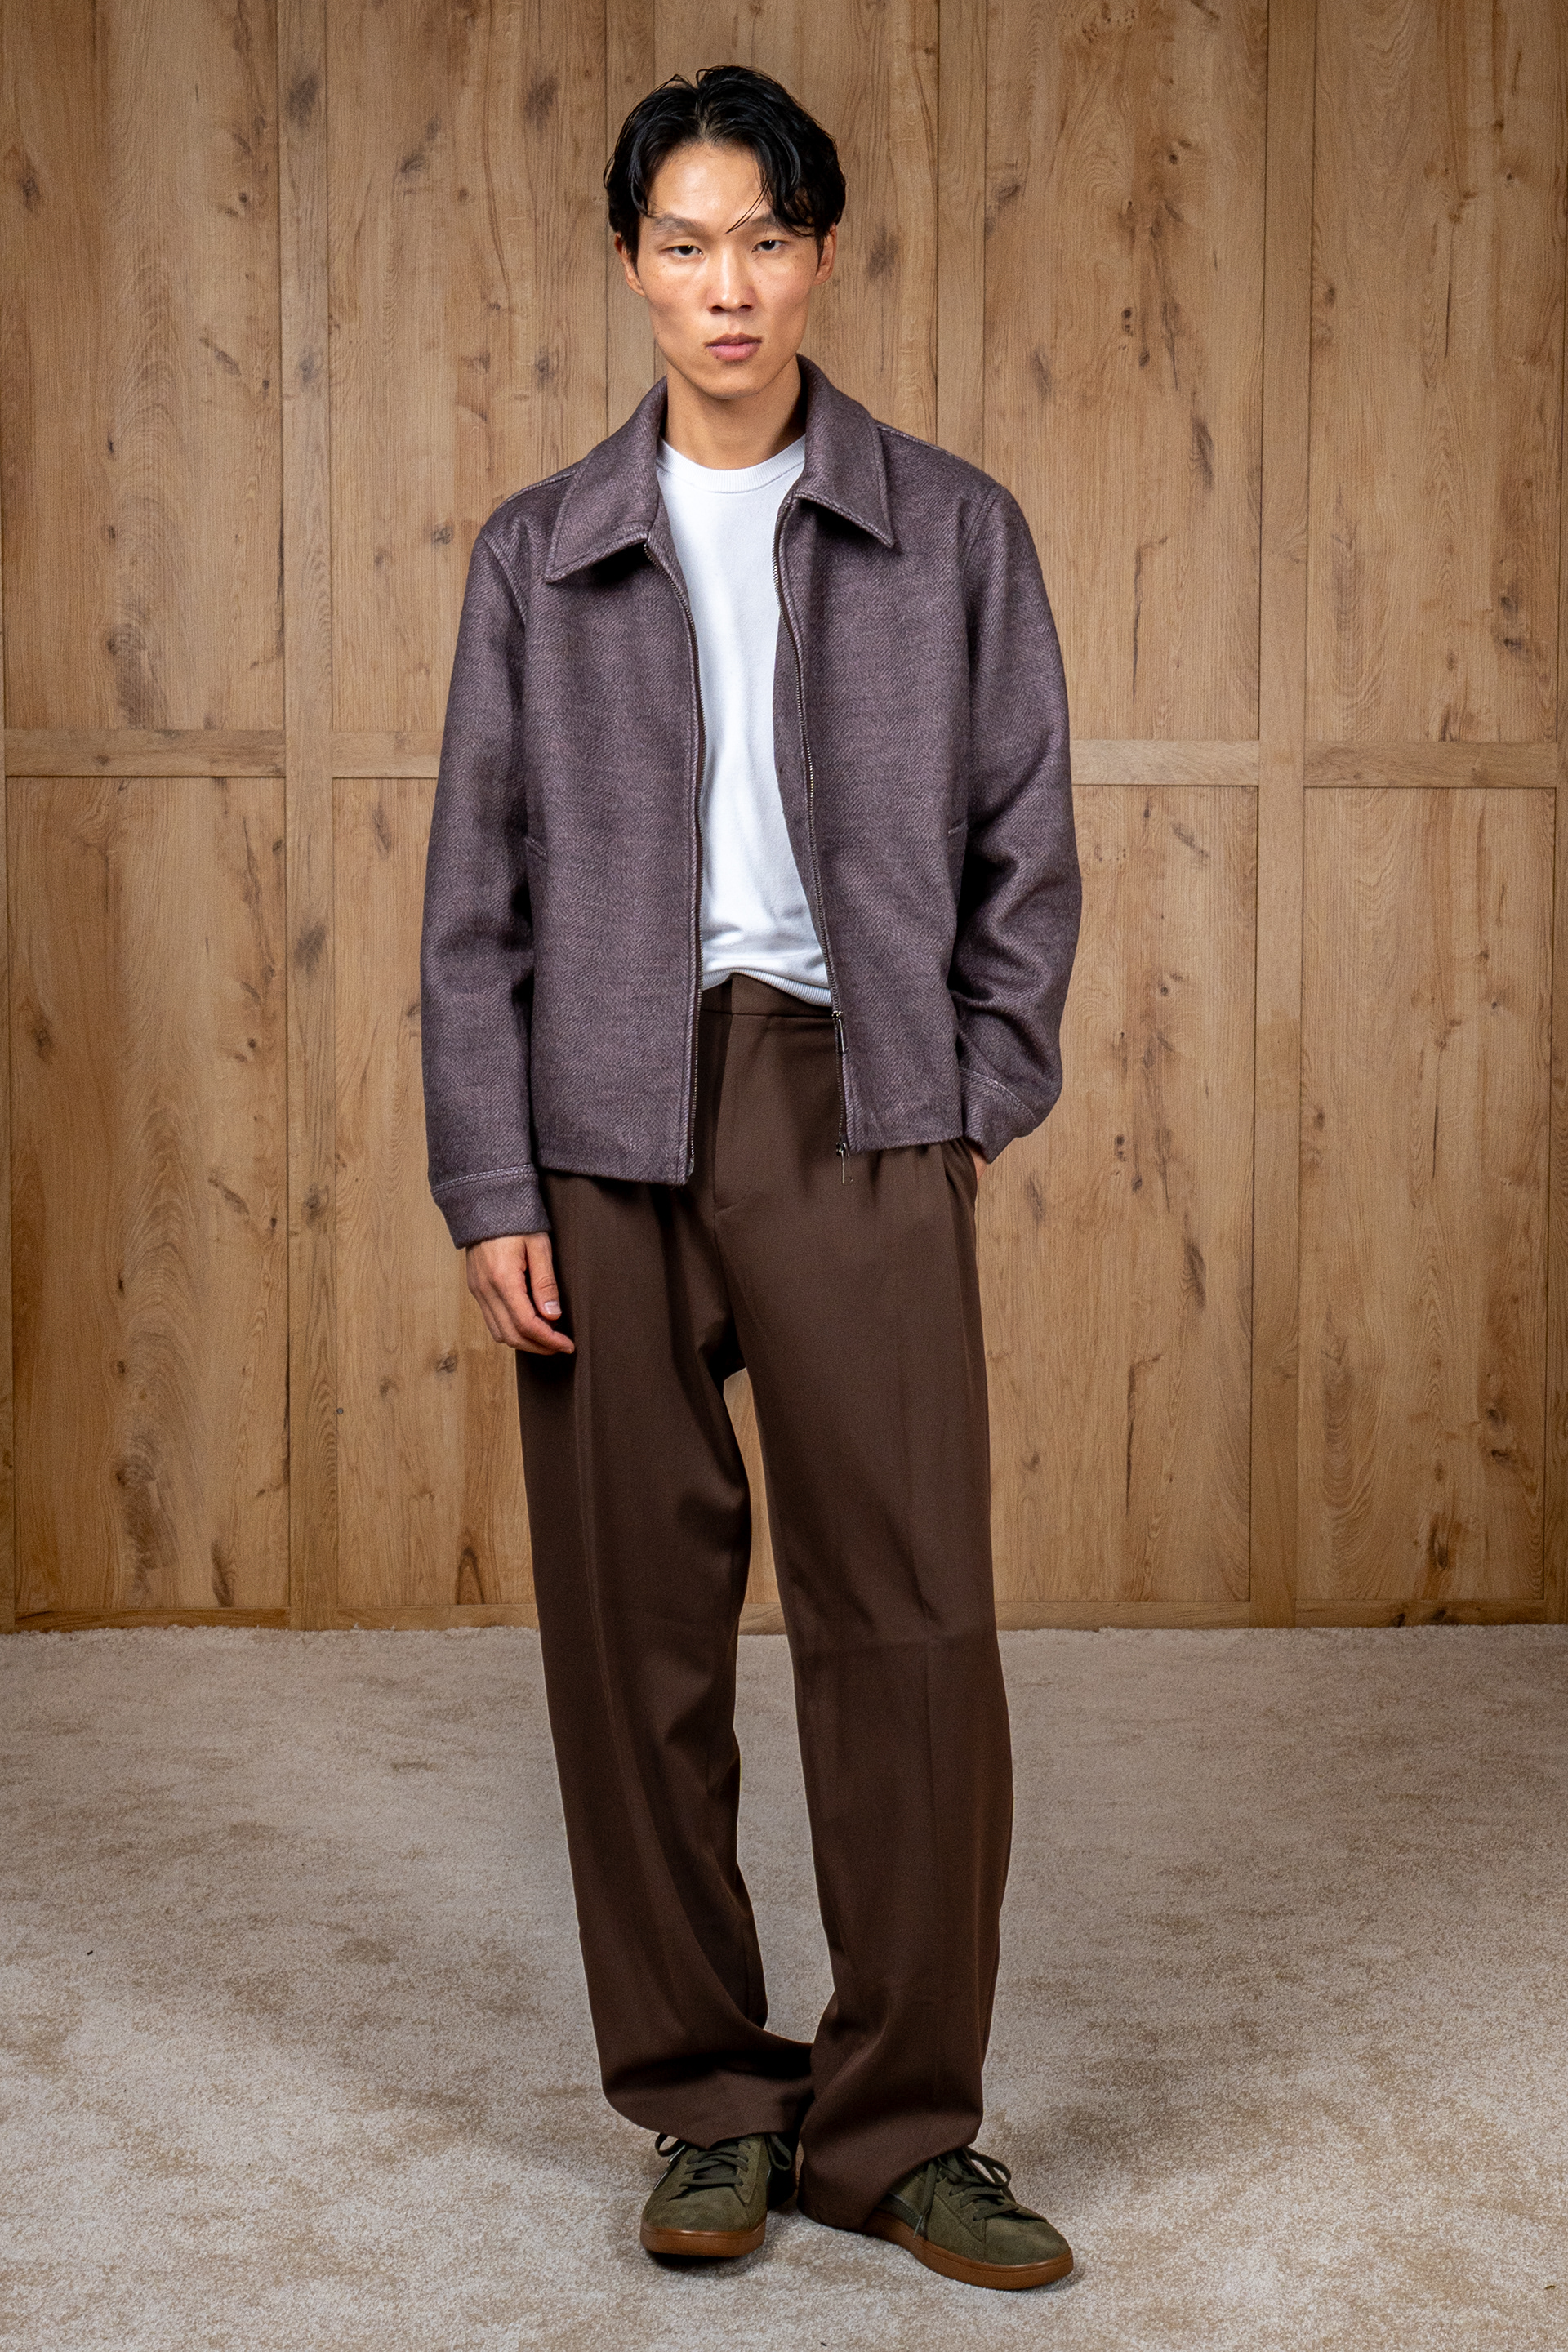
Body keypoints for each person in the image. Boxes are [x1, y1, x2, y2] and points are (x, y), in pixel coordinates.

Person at [420, 63, 1081, 2294]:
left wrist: (969, 1091)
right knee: (635, 1636)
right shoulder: (539, 552)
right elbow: (473, 905)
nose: (729, 285)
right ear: (632, 261)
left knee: (913, 1628)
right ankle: (708, 2100)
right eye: (687, 242)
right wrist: (489, 1175)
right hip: (597, 1119)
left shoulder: (953, 530)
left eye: (767, 240)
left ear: (822, 257)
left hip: (858, 1097)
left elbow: (1026, 845)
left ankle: (900, 2131)